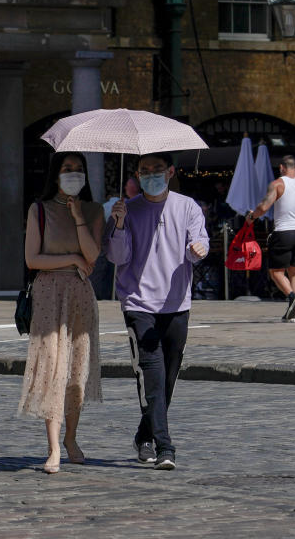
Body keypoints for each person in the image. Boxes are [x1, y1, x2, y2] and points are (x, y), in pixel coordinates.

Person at [104, 152, 209, 470]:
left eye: (156, 170)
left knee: (169, 377)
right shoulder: (127, 210)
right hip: (138, 303)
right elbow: (117, 257)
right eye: (143, 171)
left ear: (170, 172)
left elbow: (199, 243)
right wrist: (119, 224)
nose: (149, 175)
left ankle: (144, 435)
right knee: (152, 372)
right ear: (136, 174)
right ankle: (165, 446)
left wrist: (198, 249)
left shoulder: (187, 206)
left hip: (177, 303)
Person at [18, 151, 104, 474]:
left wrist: (79, 216)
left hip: (80, 295)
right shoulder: (38, 210)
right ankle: (53, 447)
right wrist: (71, 260)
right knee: (53, 369)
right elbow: (33, 259)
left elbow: (94, 255)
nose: (73, 174)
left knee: (76, 375)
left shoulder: (94, 210)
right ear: (56, 175)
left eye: (79, 169)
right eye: (67, 169)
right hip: (48, 294)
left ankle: (71, 438)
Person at [245, 155, 295, 322]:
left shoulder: (277, 184)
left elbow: (263, 207)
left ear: (281, 168)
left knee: (275, 272)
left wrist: (252, 216)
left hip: (283, 232)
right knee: (294, 274)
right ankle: (292, 315)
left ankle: (292, 297)